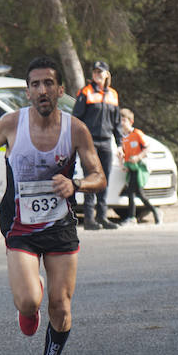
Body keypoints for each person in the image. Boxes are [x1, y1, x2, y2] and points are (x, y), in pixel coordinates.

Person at [0, 56, 106, 355]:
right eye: (35, 84)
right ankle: (30, 300)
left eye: (48, 84)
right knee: (30, 302)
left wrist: (76, 185)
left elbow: (99, 176)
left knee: (61, 307)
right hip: (20, 225)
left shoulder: (76, 129)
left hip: (60, 226)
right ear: (27, 92)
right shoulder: (12, 124)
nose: (42, 90)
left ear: (60, 90)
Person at [71, 60, 124, 230]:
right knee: (91, 177)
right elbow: (77, 119)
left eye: (100, 72)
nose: (97, 75)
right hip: (89, 142)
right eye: (95, 72)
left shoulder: (113, 95)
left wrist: (120, 144)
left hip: (106, 142)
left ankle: (102, 217)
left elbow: (117, 123)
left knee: (104, 180)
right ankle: (89, 218)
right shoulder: (85, 93)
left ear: (107, 74)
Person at [118, 108, 161, 226]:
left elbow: (147, 148)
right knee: (136, 193)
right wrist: (123, 165)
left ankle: (133, 217)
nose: (122, 123)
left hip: (139, 168)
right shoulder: (122, 138)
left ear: (131, 121)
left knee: (134, 192)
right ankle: (151, 211)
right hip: (130, 168)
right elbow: (122, 154)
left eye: (124, 120)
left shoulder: (137, 133)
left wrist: (138, 157)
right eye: (120, 121)